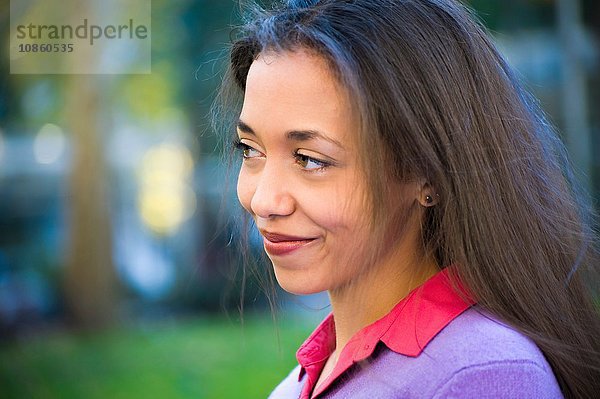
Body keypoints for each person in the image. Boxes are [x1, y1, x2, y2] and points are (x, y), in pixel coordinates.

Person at [213, 0, 600, 397]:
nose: (263, 200)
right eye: (250, 150)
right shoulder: (294, 386)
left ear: (426, 175)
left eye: (311, 159)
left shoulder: (482, 375)